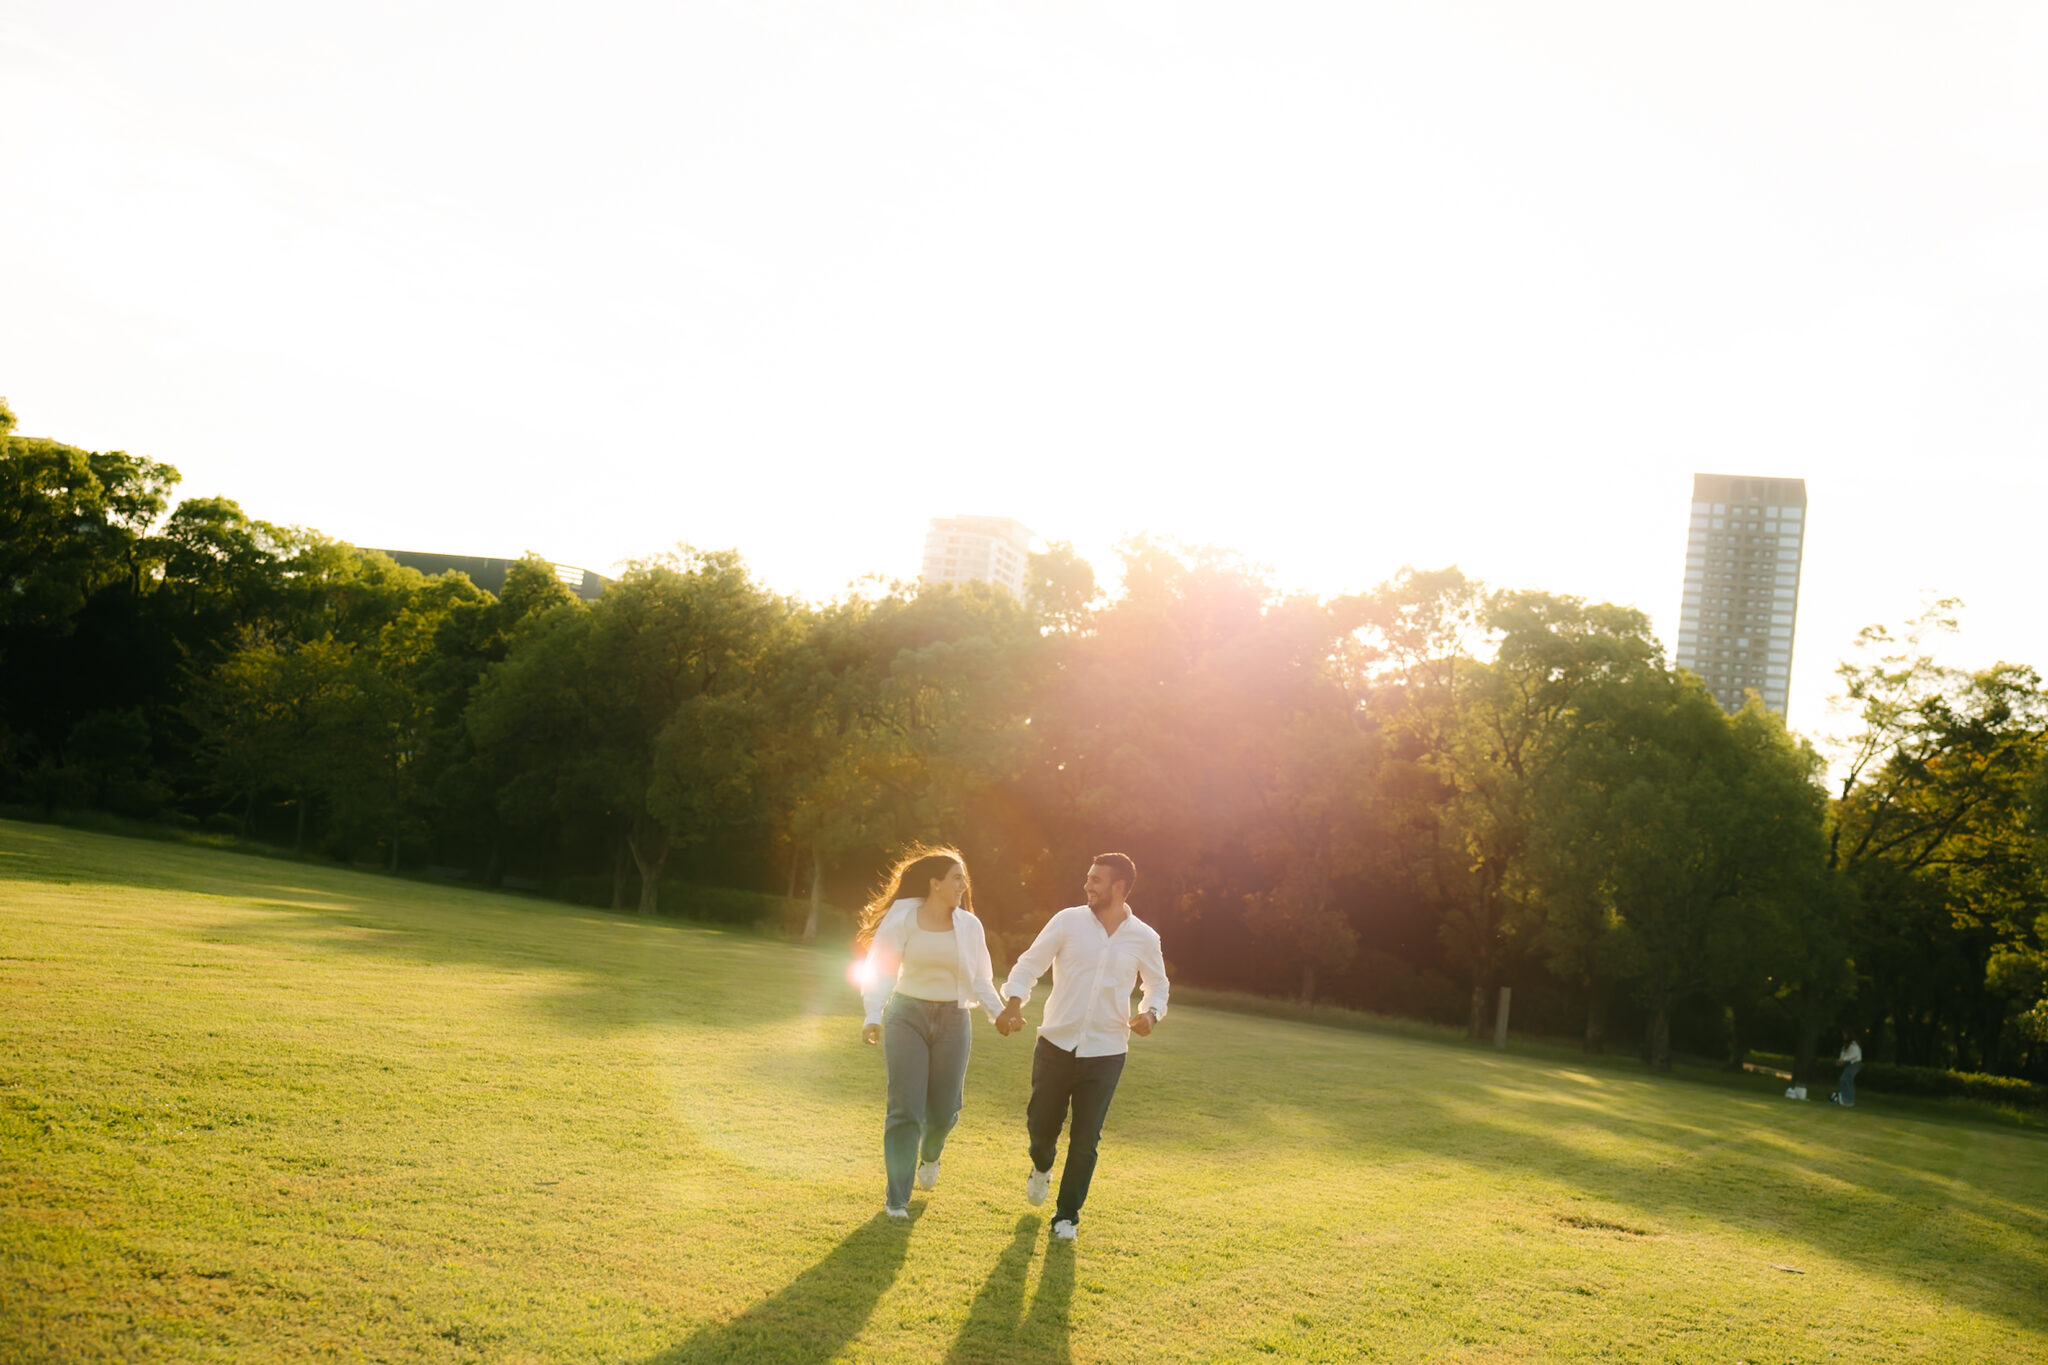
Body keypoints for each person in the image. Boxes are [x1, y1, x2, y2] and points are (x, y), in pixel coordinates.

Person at [995, 852, 1169, 1243]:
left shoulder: (1144, 937)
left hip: (1107, 1051)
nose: (1087, 885)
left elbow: (1158, 985)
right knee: (1042, 1128)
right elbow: (1028, 964)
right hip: (1056, 1042)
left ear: (1119, 887)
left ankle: (1067, 1216)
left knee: (1086, 1137)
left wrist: (1151, 1014)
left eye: (1096, 880)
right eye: (1087, 878)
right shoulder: (1067, 921)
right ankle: (1041, 1166)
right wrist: (1013, 1001)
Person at [857, 845, 1008, 1219]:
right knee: (904, 1110)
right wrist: (873, 1013)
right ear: (935, 883)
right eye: (957, 877)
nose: (963, 884)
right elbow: (880, 966)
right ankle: (896, 1199)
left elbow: (980, 978)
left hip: (954, 1020)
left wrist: (999, 1013)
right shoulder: (904, 916)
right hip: (906, 1014)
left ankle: (931, 1153)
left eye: (963, 878)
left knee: (943, 1113)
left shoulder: (969, 925)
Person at [1829, 1027, 1862, 1108]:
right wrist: (1840, 1060)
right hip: (1848, 1064)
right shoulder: (1845, 1045)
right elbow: (1843, 1053)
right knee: (1847, 1081)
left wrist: (1843, 1059)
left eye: (1845, 1034)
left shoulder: (1854, 1044)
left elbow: (1854, 1055)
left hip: (1854, 1064)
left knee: (1845, 1079)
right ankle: (1847, 1099)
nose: (1844, 1036)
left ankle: (1847, 1099)